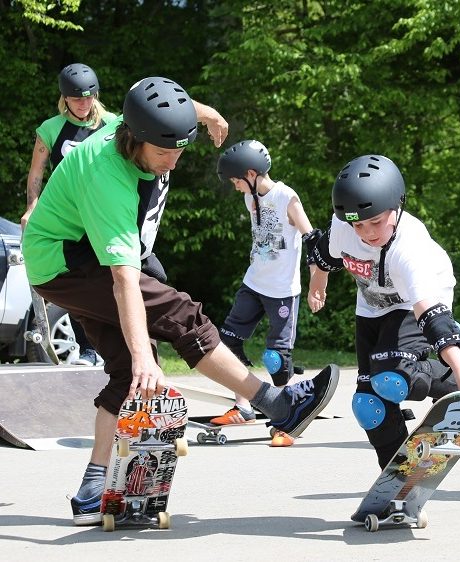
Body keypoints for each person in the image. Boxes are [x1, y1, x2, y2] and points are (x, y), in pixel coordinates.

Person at [21, 76, 339, 525]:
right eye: (164, 152)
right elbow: (124, 279)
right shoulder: (106, 174)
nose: (173, 161)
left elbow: (178, 105)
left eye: (180, 149)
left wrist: (208, 116)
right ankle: (279, 404)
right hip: (66, 262)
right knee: (179, 316)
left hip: (78, 255)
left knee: (128, 374)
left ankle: (93, 489)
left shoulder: (131, 122)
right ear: (135, 139)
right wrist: (146, 357)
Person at [305, 154, 460, 468]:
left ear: (397, 206)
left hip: (415, 302)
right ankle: (397, 476)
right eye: (359, 225)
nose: (367, 232)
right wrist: (317, 281)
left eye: (376, 222)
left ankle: (453, 379)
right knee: (368, 404)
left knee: (393, 378)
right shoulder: (344, 228)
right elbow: (323, 252)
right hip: (371, 307)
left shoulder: (410, 249)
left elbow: (430, 315)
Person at [210, 139, 317, 438]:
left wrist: (315, 286)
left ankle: (286, 415)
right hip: (253, 283)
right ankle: (243, 407)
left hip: (282, 289)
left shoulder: (287, 197)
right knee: (227, 342)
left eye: (235, 181)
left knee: (276, 357)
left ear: (251, 174)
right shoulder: (250, 198)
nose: (235, 187)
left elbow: (311, 240)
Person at [22, 63, 116, 366]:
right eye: (77, 99)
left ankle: (124, 345)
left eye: (89, 97)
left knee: (127, 277)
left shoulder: (113, 123)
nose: (84, 104)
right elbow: (36, 174)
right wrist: (32, 207)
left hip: (105, 214)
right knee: (77, 283)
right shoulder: (50, 128)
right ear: (65, 99)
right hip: (69, 220)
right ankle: (90, 351)